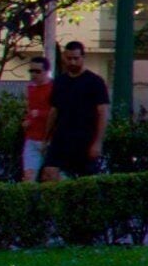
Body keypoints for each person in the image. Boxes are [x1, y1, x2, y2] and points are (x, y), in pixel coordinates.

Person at [47, 43, 111, 178]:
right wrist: (46, 137)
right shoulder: (60, 82)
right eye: (69, 58)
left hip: (85, 139)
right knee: (50, 173)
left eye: (76, 58)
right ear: (64, 58)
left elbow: (103, 112)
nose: (72, 62)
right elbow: (54, 111)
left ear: (83, 57)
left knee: (84, 180)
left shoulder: (95, 82)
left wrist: (98, 142)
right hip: (61, 138)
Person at [18, 57, 55, 182]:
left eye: (37, 71)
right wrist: (27, 120)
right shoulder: (31, 88)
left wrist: (39, 114)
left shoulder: (54, 88)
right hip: (32, 138)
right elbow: (30, 110)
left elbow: (58, 113)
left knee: (51, 177)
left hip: (50, 139)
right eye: (31, 71)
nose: (33, 75)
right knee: (28, 176)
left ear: (46, 71)